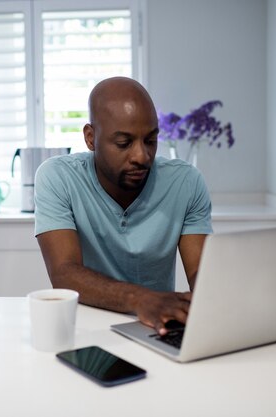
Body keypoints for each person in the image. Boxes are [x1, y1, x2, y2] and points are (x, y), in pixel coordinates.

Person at [34, 77, 212, 335]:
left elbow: (201, 275)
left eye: (150, 140)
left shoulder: (186, 182)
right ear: (90, 138)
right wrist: (141, 300)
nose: (142, 156)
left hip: (158, 328)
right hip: (88, 328)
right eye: (124, 143)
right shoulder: (58, 177)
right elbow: (64, 273)